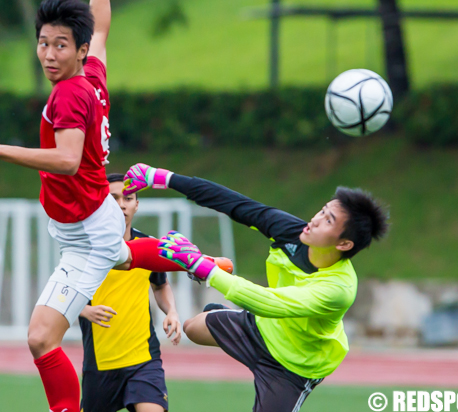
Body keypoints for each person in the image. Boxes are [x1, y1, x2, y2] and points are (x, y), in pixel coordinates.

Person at [0, 0, 203, 412]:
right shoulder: (92, 75)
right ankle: (196, 261)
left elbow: (68, 160)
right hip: (86, 227)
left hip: (86, 233)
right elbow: (103, 26)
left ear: (78, 49)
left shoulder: (69, 94)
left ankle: (196, 262)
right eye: (43, 43)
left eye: (60, 45)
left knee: (42, 338)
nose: (49, 54)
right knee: (118, 259)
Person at [124, 163, 389, 412]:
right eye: (322, 210)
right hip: (262, 327)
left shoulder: (339, 289)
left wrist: (202, 267)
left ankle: (233, 318)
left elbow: (270, 303)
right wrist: (163, 177)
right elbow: (232, 203)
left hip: (293, 366)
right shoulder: (292, 231)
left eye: (328, 221)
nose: (316, 219)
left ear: (344, 244)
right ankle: (228, 316)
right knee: (192, 329)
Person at [79, 173, 182, 412]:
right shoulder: (85, 249)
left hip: (143, 359)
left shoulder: (149, 245)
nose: (121, 204)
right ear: (101, 204)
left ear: (136, 204)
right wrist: (85, 310)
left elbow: (160, 285)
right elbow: (61, 295)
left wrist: (172, 312)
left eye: (128, 198)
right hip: (101, 364)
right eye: (113, 198)